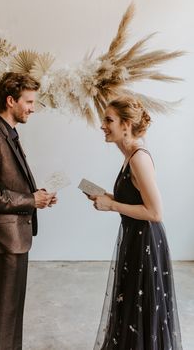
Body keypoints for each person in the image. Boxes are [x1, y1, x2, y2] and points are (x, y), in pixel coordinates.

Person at [0, 72, 57, 350]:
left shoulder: (8, 134)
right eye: (29, 101)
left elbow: (9, 184)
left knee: (12, 316)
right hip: (2, 243)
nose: (32, 107)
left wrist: (36, 196)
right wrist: (30, 200)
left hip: (14, 241)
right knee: (3, 320)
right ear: (10, 100)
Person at [85, 96, 182, 350]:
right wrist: (110, 198)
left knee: (140, 310)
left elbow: (155, 212)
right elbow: (136, 200)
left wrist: (113, 205)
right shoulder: (129, 156)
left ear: (126, 124)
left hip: (146, 243)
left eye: (109, 120)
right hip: (134, 239)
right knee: (130, 307)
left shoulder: (139, 157)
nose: (103, 125)